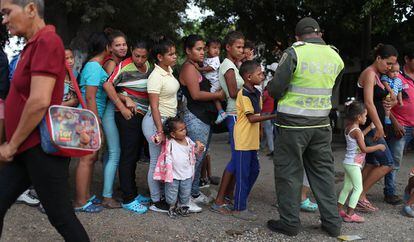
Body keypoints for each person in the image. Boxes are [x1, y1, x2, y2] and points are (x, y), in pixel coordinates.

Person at [0, 0, 89, 240]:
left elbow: (39, 101)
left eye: (7, 13)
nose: (4, 20)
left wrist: (11, 144)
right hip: (25, 148)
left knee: (61, 216)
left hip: (39, 148)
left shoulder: (47, 41)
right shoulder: (32, 45)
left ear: (30, 9)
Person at [266, 17, 344, 237]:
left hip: (292, 125)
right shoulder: (335, 55)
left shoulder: (294, 52)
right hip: (321, 123)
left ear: (298, 36)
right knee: (323, 174)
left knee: (289, 172)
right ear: (319, 33)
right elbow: (332, 89)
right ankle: (332, 223)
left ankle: (290, 224)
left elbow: (276, 89)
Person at [103, 40, 152, 213]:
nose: (139, 59)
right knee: (128, 155)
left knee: (134, 156)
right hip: (128, 116)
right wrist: (123, 104)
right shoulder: (124, 66)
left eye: (143, 56)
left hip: (142, 116)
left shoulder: (149, 66)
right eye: (136, 55)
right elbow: (107, 85)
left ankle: (133, 192)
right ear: (132, 51)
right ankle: (128, 198)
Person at [179, 34, 224, 212]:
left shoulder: (197, 67)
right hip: (194, 117)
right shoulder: (189, 68)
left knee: (199, 157)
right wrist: (218, 95)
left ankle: (195, 192)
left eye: (203, 48)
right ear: (188, 51)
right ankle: (185, 198)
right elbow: (196, 95)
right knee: (194, 159)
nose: (202, 52)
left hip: (203, 117)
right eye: (198, 49)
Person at [228, 60, 276, 221]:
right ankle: (239, 208)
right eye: (259, 73)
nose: (262, 76)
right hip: (242, 139)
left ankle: (239, 199)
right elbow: (252, 118)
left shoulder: (256, 92)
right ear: (249, 77)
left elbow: (259, 115)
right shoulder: (244, 94)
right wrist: (275, 115)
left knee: (254, 170)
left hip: (252, 140)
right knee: (243, 174)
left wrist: (261, 130)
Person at [356, 44, 399, 209]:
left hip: (375, 125)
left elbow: (378, 100)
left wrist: (389, 101)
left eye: (391, 65)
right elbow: (368, 101)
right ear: (378, 58)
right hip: (370, 127)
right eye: (387, 63)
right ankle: (360, 196)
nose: (389, 67)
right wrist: (379, 126)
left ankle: (356, 195)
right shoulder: (369, 73)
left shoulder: (378, 76)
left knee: (373, 163)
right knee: (387, 163)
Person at [74, 32, 110, 213]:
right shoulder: (95, 67)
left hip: (89, 117)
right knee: (86, 159)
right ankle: (81, 201)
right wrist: (97, 124)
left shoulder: (93, 66)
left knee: (90, 158)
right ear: (107, 48)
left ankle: (86, 196)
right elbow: (90, 97)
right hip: (89, 119)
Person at [142, 38, 179, 213]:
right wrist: (160, 130)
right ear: (159, 57)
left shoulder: (168, 71)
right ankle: (155, 201)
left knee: (164, 161)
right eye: (170, 54)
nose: (175, 56)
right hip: (156, 122)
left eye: (174, 53)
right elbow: (154, 106)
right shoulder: (155, 76)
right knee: (156, 161)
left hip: (167, 121)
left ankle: (161, 196)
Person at [211, 31, 245, 214]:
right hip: (233, 114)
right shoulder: (228, 66)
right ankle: (218, 200)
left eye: (242, 46)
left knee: (237, 158)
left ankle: (227, 195)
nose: (241, 50)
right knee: (235, 159)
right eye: (238, 47)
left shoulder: (234, 65)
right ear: (228, 47)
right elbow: (232, 93)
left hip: (238, 114)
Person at [337, 101, 385, 223]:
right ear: (359, 117)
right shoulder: (356, 131)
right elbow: (364, 148)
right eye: (365, 116)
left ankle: (338, 211)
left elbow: (360, 138)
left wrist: (369, 127)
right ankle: (350, 214)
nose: (366, 118)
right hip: (353, 164)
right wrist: (378, 146)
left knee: (347, 187)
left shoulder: (350, 128)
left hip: (348, 162)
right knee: (358, 189)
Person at [154, 117, 204, 218]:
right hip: (173, 174)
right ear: (173, 134)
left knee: (185, 192)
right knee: (171, 193)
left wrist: (199, 146)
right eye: (181, 130)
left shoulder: (188, 140)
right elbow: (158, 139)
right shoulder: (169, 141)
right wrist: (158, 138)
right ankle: (172, 207)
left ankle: (183, 207)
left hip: (187, 173)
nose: (185, 131)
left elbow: (196, 151)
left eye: (185, 128)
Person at [100, 29, 128, 208]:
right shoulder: (111, 63)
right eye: (117, 45)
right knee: (115, 152)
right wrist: (125, 100)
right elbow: (109, 88)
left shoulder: (119, 62)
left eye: (124, 44)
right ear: (109, 47)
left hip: (110, 110)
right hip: (109, 110)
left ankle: (106, 189)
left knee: (109, 153)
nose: (122, 47)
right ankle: (107, 196)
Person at [387, 42, 414, 212]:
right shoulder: (395, 76)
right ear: (407, 59)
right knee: (395, 160)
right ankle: (390, 192)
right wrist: (394, 122)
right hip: (400, 124)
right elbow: (384, 102)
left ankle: (409, 191)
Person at [196, 38, 226, 124]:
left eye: (218, 48)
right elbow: (204, 64)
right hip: (211, 82)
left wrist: (199, 69)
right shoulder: (206, 58)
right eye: (214, 48)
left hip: (216, 82)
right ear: (207, 49)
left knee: (213, 95)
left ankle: (221, 112)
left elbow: (210, 68)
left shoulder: (216, 59)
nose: (217, 50)